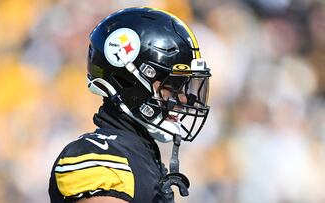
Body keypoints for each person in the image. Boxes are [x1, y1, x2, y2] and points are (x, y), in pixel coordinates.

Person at [48, 7, 211, 203]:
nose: (184, 99)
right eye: (172, 86)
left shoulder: (142, 156)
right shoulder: (97, 154)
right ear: (128, 80)